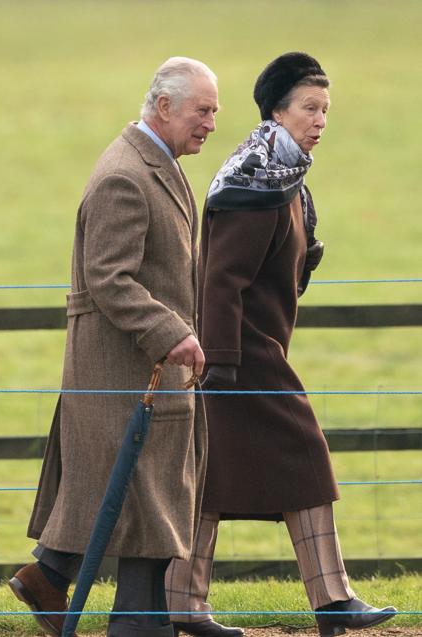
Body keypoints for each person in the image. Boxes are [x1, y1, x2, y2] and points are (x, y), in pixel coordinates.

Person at [165, 52, 396, 637]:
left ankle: (182, 609)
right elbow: (220, 280)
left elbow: (269, 265)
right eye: (309, 108)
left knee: (209, 477)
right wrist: (220, 363)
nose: (320, 120)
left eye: (325, 109)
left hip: (251, 349)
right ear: (276, 110)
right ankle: (333, 602)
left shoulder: (282, 174)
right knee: (307, 457)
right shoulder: (256, 181)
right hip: (241, 355)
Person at [8, 56, 219, 637]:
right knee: (145, 492)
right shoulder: (125, 174)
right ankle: (130, 619)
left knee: (142, 493)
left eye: (215, 111)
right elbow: (110, 276)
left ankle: (90, 596)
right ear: (165, 106)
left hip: (139, 369)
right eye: (203, 110)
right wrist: (171, 330)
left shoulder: (157, 162)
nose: (211, 122)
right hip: (124, 367)